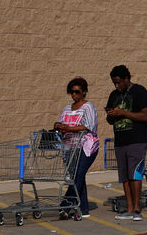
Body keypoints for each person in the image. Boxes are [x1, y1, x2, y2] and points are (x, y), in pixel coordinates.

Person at [105, 65, 147, 221]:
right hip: (120, 140)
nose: (116, 86)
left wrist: (123, 112)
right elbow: (110, 120)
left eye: (118, 82)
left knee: (135, 174)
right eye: (114, 83)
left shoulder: (140, 92)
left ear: (126, 79)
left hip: (137, 139)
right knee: (124, 176)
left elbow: (144, 116)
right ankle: (129, 208)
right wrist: (111, 115)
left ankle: (137, 209)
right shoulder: (114, 95)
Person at [54, 77, 99, 218]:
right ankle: (83, 208)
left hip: (86, 146)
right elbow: (61, 122)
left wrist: (69, 128)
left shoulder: (88, 107)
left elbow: (88, 126)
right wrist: (58, 125)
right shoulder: (67, 108)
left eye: (77, 92)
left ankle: (66, 206)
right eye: (71, 92)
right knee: (77, 176)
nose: (74, 95)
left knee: (78, 175)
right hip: (70, 148)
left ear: (84, 92)